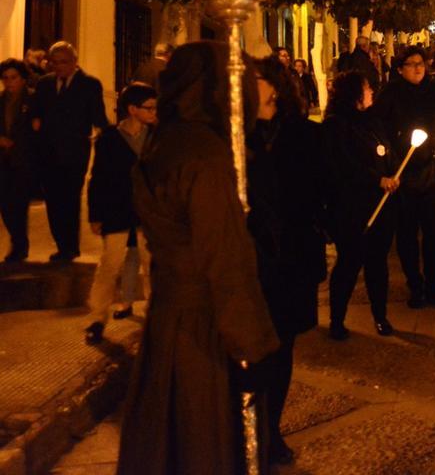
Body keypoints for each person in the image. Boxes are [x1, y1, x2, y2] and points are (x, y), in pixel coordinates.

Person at [116, 42, 278, 475]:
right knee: (203, 444)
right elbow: (223, 258)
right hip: (203, 329)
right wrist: (251, 347)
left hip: (169, 318)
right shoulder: (204, 155)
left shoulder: (164, 141)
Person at [246, 57, 327, 464]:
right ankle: (250, 431)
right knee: (253, 351)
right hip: (252, 262)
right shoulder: (239, 135)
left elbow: (322, 190)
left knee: (282, 349)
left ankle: (271, 429)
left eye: (254, 80)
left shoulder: (305, 136)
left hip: (293, 257)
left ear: (274, 87)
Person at [376, 46, 435, 310]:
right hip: (403, 173)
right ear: (401, 68)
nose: (417, 68)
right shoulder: (391, 95)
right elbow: (379, 131)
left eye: (420, 63)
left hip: (430, 171)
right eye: (411, 64)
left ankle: (433, 284)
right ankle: (414, 285)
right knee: (406, 234)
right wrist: (387, 165)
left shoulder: (434, 92)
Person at [323, 71, 397, 338]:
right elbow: (342, 164)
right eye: (367, 87)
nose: (371, 92)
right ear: (354, 94)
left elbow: (385, 150)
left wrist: (391, 173)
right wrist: (376, 179)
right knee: (349, 263)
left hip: (380, 206)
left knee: (378, 263)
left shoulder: (373, 121)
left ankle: (381, 316)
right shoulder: (336, 125)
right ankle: (337, 320)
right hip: (351, 208)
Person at [84, 84, 156, 344]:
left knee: (152, 265)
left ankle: (154, 316)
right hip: (117, 209)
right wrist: (95, 214)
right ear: (132, 110)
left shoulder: (156, 136)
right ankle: (96, 317)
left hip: (148, 212)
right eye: (148, 107)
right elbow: (98, 177)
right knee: (109, 265)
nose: (153, 112)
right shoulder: (110, 138)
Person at [31, 41, 109, 262]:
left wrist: (106, 135)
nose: (59, 67)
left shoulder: (89, 84)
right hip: (48, 151)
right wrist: (36, 122)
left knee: (70, 197)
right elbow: (36, 110)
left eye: (64, 62)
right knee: (53, 199)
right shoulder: (45, 84)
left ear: (74, 62)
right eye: (54, 63)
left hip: (74, 151)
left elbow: (98, 116)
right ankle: (61, 243)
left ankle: (70, 246)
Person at [0, 60, 35, 263]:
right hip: (4, 160)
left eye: (13, 77)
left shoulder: (32, 99)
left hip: (24, 160)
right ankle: (18, 241)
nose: (9, 82)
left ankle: (20, 245)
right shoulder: (1, 100)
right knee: (5, 204)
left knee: (19, 204)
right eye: (5, 78)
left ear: (22, 78)